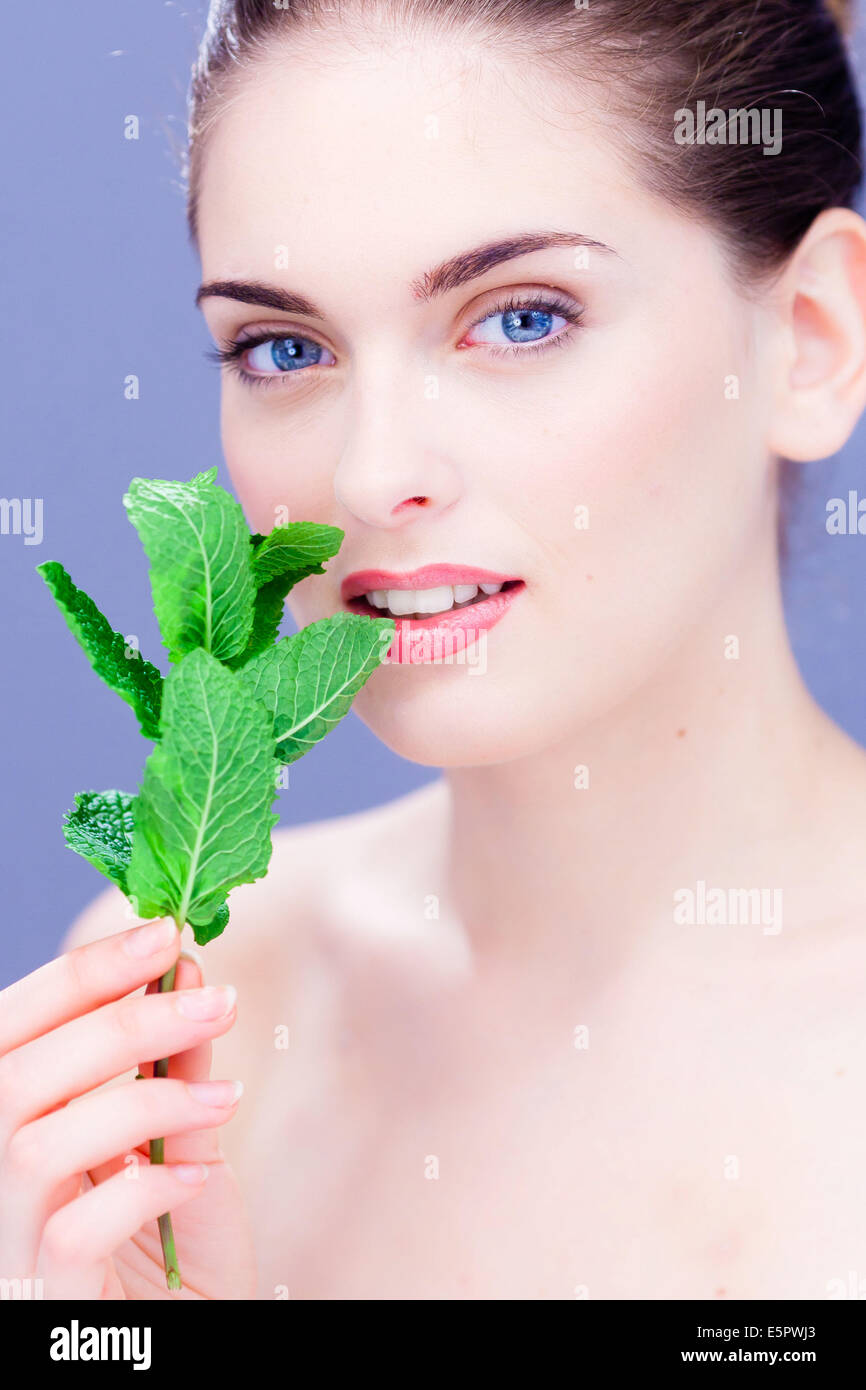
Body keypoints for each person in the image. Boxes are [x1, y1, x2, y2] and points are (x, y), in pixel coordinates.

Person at [3, 0, 866, 1300]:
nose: (371, 471)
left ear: (807, 339)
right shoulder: (191, 1003)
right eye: (282, 348)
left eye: (520, 318)